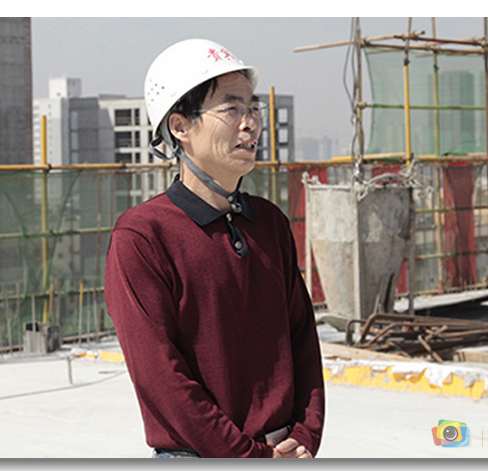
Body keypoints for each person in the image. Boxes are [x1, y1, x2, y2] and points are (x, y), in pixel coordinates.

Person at [104, 38, 325, 458]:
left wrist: (307, 433)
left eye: (253, 108)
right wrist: (249, 457)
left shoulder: (269, 223)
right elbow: (162, 378)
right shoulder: (143, 236)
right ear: (180, 126)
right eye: (231, 109)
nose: (250, 123)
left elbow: (302, 339)